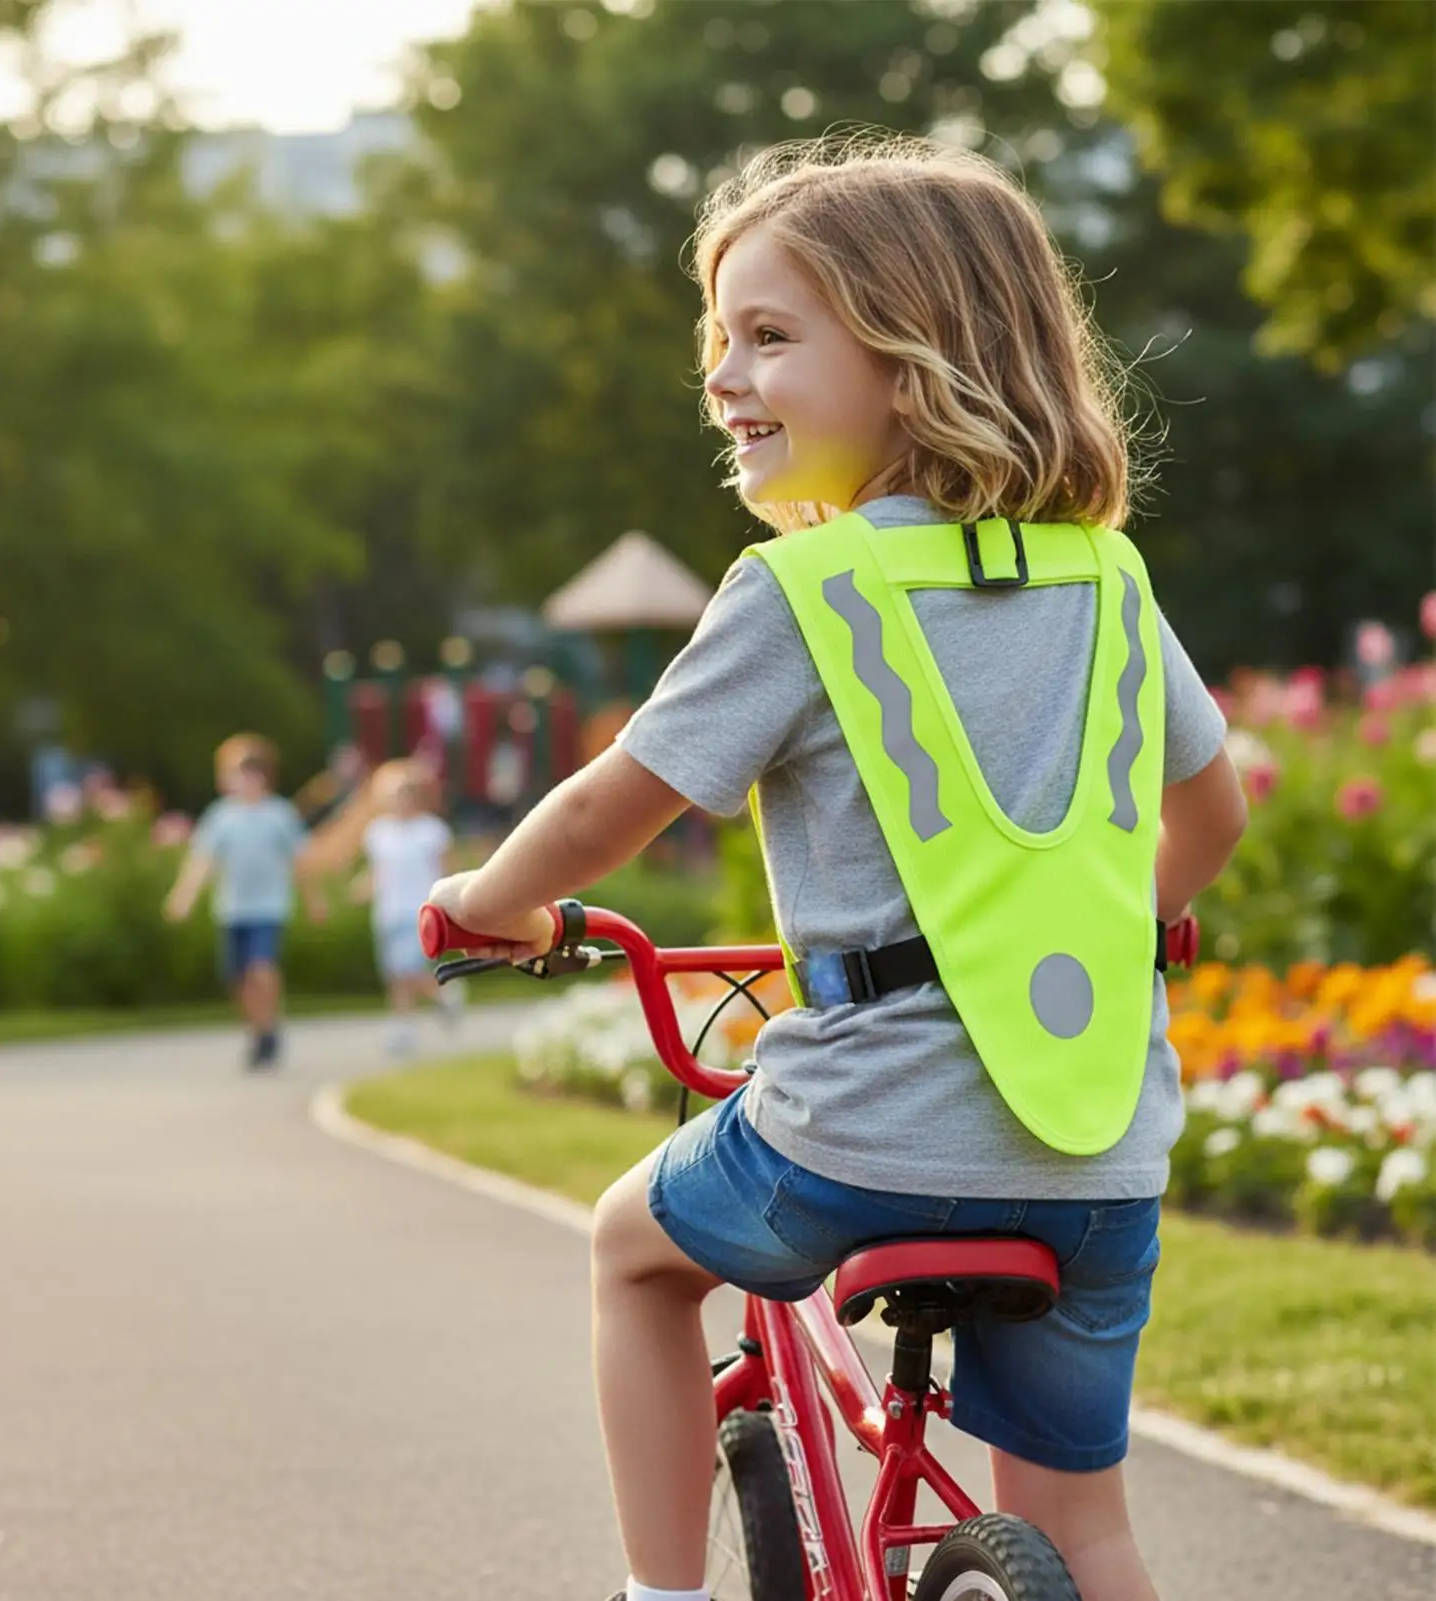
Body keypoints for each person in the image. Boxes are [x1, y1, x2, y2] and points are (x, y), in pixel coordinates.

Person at [423, 136, 1248, 1601]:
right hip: (1097, 1142)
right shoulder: (1110, 582)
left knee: (631, 1251)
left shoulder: (806, 591)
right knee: (1083, 1524)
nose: (723, 378)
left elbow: (610, 806)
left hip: (856, 1138)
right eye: (718, 343)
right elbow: (1212, 815)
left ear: (915, 355)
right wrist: (1125, 926)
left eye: (770, 336)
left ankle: (658, 1597)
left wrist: (490, 904)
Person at [164, 735, 324, 1069]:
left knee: (261, 969)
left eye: (251, 773)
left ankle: (270, 1026)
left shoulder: (279, 815)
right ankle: (258, 1030)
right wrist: (184, 897)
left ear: (265, 776)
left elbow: (299, 862)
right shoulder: (221, 817)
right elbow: (203, 862)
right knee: (238, 978)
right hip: (233, 908)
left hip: (268, 907)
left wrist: (314, 900)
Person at [356, 758, 461, 1054]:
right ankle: (423, 1010)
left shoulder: (432, 831)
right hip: (388, 911)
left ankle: (425, 1008)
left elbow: (445, 870)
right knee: (394, 972)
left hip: (420, 910)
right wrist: (363, 889)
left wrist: (448, 905)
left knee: (408, 967)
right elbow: (379, 872)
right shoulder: (378, 832)